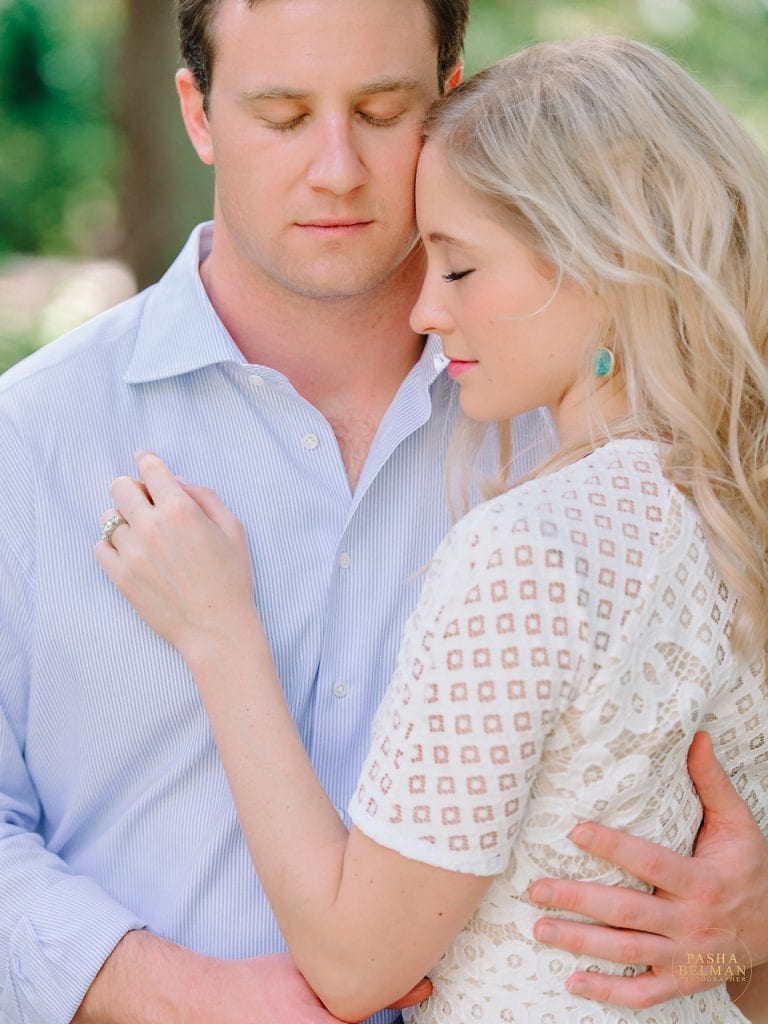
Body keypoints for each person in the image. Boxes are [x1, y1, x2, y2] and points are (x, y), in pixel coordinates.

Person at [0, 0, 763, 1019]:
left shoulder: (587, 419)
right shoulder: (30, 437)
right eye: (281, 115)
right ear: (199, 114)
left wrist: (754, 931)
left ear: (447, 100)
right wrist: (176, 996)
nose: (337, 169)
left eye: (379, 109)